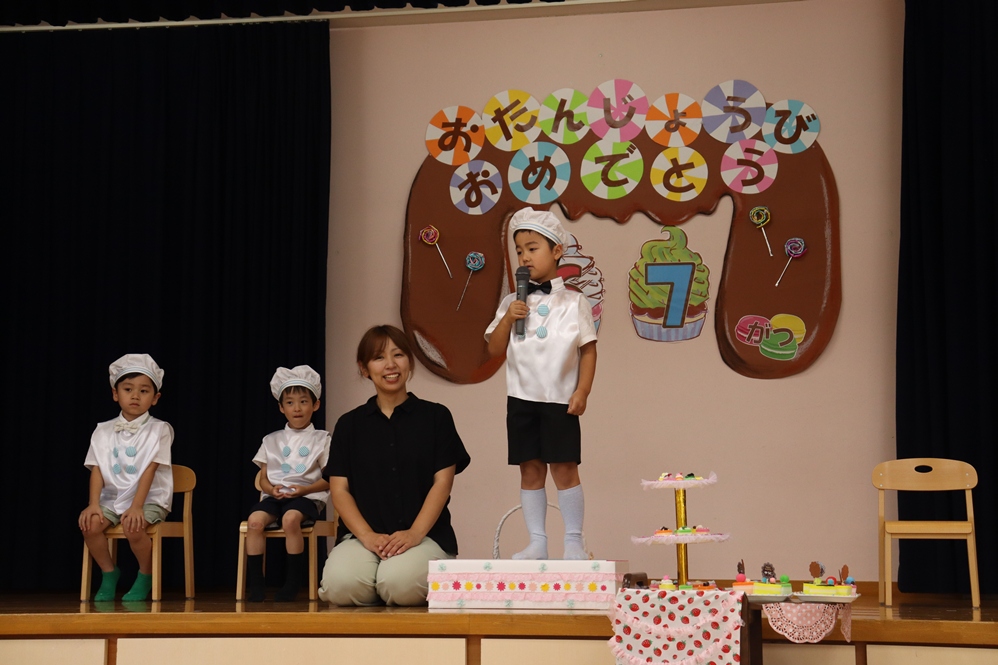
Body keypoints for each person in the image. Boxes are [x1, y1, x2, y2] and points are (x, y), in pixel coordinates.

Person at [318, 325, 470, 606]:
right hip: (362, 538)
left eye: (398, 355)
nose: (390, 364)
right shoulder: (349, 425)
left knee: (400, 584)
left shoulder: (436, 417)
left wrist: (414, 534)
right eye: (379, 357)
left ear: (409, 362)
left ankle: (385, 583)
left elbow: (442, 483)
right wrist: (367, 536)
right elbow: (339, 490)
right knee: (341, 586)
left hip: (425, 536)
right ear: (364, 368)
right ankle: (374, 581)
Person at [484, 207, 598, 560]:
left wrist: (582, 391)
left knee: (564, 468)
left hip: (560, 398)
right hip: (521, 398)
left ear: (556, 251)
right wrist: (508, 318)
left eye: (533, 248)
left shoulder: (574, 301)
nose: (525, 257)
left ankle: (574, 541)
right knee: (530, 469)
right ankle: (537, 542)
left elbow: (588, 350)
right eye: (519, 250)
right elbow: (494, 348)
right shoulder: (511, 301)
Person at [79, 353, 174, 602]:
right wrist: (93, 504)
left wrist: (137, 506)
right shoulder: (102, 430)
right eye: (128, 389)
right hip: (112, 497)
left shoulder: (160, 429)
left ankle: (146, 574)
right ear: (115, 393)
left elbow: (150, 470)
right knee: (90, 525)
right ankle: (109, 572)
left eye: (144, 391)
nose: (135, 396)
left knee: (134, 526)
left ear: (155, 398)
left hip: (149, 498)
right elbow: (97, 469)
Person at [245, 365, 331, 602]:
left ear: (315, 405)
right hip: (276, 496)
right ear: (281, 407)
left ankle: (293, 583)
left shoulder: (322, 439)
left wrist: (306, 489)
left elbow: (329, 479)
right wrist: (270, 489)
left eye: (303, 402)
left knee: (290, 519)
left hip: (307, 497)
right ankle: (257, 584)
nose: (297, 408)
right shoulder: (271, 440)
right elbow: (263, 478)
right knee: (254, 522)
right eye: (290, 403)